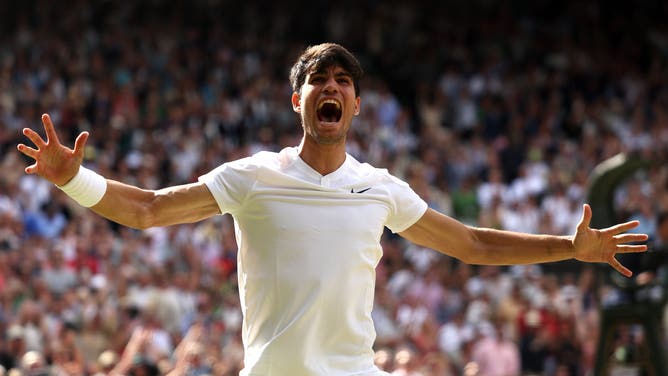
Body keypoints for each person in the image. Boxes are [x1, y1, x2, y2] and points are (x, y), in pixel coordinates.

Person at [17, 43, 648, 375]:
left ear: (356, 106)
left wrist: (571, 248)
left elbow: (473, 246)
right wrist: (77, 181)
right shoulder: (253, 176)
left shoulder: (381, 188)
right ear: (298, 100)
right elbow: (151, 209)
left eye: (344, 81)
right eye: (320, 78)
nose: (333, 87)